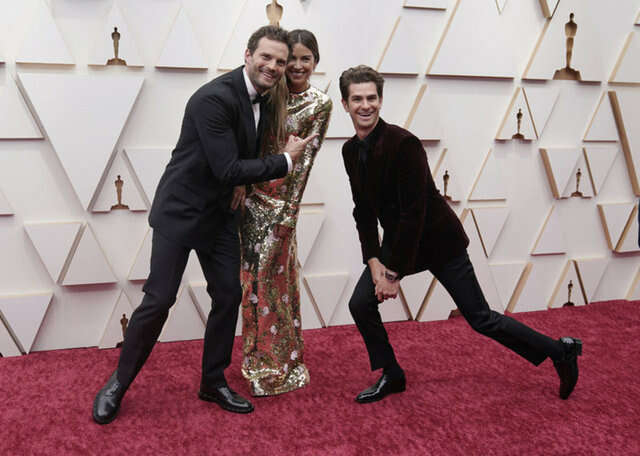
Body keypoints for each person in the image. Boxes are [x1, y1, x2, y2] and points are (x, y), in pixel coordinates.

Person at [92, 25, 318, 424]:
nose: (273, 66)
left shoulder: (267, 98)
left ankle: (212, 382)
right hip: (181, 212)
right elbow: (226, 167)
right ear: (247, 55)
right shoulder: (212, 98)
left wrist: (241, 186)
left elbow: (239, 158)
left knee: (228, 295)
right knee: (159, 300)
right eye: (266, 57)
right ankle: (117, 383)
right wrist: (285, 160)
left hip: (221, 215)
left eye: (280, 61)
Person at [339, 65, 582, 404]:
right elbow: (363, 210)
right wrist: (374, 259)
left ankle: (560, 351)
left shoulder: (404, 143)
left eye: (371, 98)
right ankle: (392, 373)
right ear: (345, 104)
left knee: (481, 319)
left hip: (439, 242)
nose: (365, 105)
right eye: (357, 99)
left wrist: (392, 274)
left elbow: (414, 213)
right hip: (400, 243)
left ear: (380, 100)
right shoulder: (350, 151)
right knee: (359, 303)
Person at [237, 29, 332, 396]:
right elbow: (248, 145)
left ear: (315, 62)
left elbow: (303, 165)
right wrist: (241, 187)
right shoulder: (267, 93)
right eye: (291, 58)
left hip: (280, 210)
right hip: (250, 202)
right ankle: (256, 361)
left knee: (277, 287)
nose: (296, 65)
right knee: (252, 287)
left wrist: (288, 215)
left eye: (305, 58)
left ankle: (283, 364)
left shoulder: (319, 104)